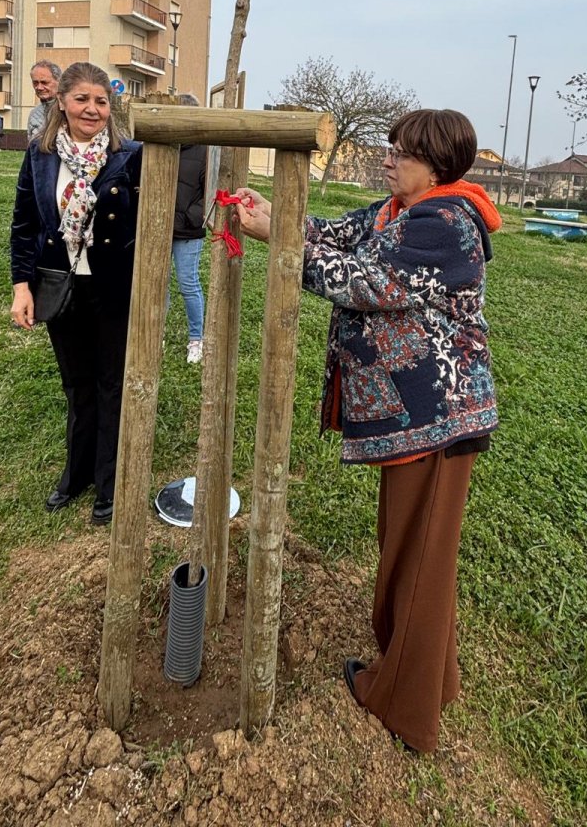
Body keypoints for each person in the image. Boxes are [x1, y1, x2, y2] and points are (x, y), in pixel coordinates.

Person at [234, 109, 502, 753]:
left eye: (401, 151)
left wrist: (278, 240)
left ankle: (406, 708)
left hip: (438, 417)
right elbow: (334, 233)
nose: (387, 158)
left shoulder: (444, 224)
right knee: (415, 552)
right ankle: (433, 680)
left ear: (435, 165)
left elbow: (362, 281)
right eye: (390, 147)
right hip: (420, 418)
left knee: (418, 559)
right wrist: (275, 214)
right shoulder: (397, 212)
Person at [9, 62, 142, 526]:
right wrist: (21, 287)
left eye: (101, 101)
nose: (92, 109)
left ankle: (109, 482)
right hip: (60, 285)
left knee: (111, 386)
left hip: (112, 288)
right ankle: (77, 473)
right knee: (77, 385)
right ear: (62, 102)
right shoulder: (41, 155)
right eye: (82, 99)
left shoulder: (130, 156)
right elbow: (25, 223)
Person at [172, 94, 207, 363]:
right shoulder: (163, 145)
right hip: (158, 227)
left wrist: (188, 217)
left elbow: (210, 192)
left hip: (187, 231)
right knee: (155, 284)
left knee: (188, 283)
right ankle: (153, 332)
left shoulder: (205, 150)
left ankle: (196, 338)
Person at [27, 60, 62, 141]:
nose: (39, 87)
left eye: (44, 82)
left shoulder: (70, 111)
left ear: (59, 81)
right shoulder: (34, 114)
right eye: (35, 83)